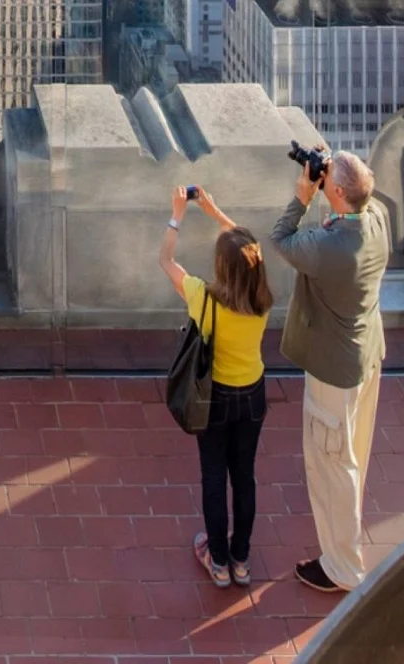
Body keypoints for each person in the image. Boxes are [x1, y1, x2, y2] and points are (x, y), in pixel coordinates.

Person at [272, 148, 389, 596]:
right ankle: (344, 551)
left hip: (333, 371)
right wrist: (337, 183)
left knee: (332, 466)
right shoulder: (376, 220)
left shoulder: (328, 248)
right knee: (352, 458)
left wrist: (303, 196)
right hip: (366, 357)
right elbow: (363, 193)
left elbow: (281, 239)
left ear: (335, 191)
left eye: (327, 181)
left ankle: (343, 567)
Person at [162, 186, 275, 589]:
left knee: (214, 477)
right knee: (244, 476)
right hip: (253, 395)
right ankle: (242, 558)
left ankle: (219, 560)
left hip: (216, 399)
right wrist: (217, 213)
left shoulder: (204, 299)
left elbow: (166, 260)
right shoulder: (262, 298)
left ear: (221, 268)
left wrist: (179, 214)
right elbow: (254, 250)